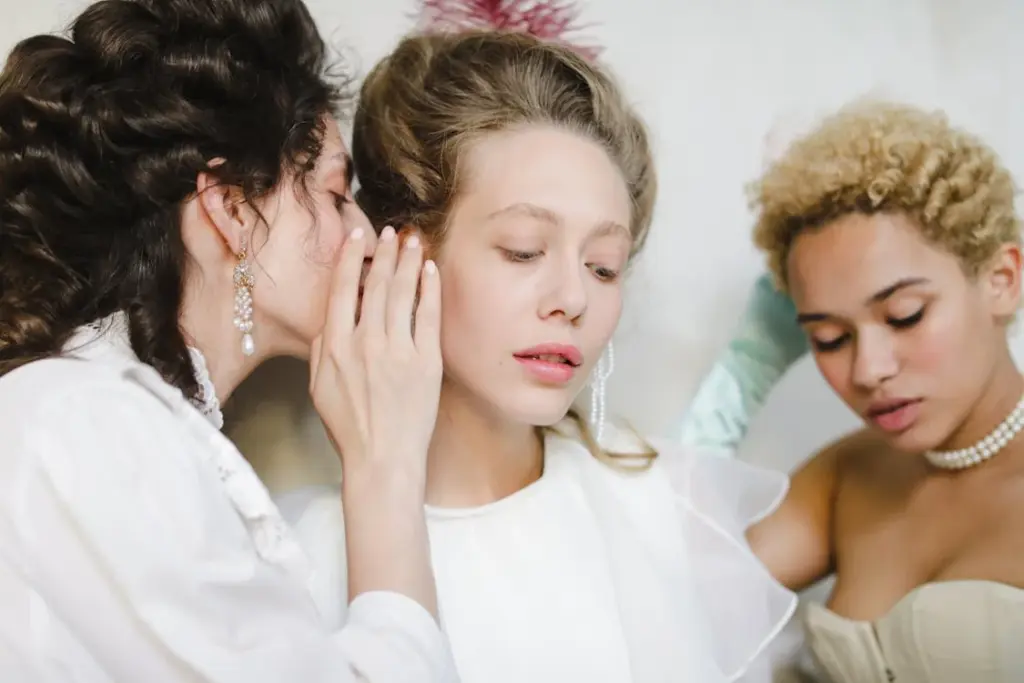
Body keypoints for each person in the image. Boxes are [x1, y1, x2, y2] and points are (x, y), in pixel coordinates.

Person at [275, 30, 796, 683]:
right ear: (404, 250)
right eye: (524, 249)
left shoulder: (665, 507)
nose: (573, 297)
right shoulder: (291, 558)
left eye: (603, 267)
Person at [0, 1, 457, 680]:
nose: (367, 234)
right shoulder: (87, 419)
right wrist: (384, 462)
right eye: (336, 194)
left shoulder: (125, 423)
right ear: (233, 210)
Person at [738, 101, 1024, 682]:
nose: (868, 369)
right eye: (829, 337)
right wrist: (743, 373)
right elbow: (663, 595)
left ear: (1002, 280)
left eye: (904, 315)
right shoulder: (849, 474)